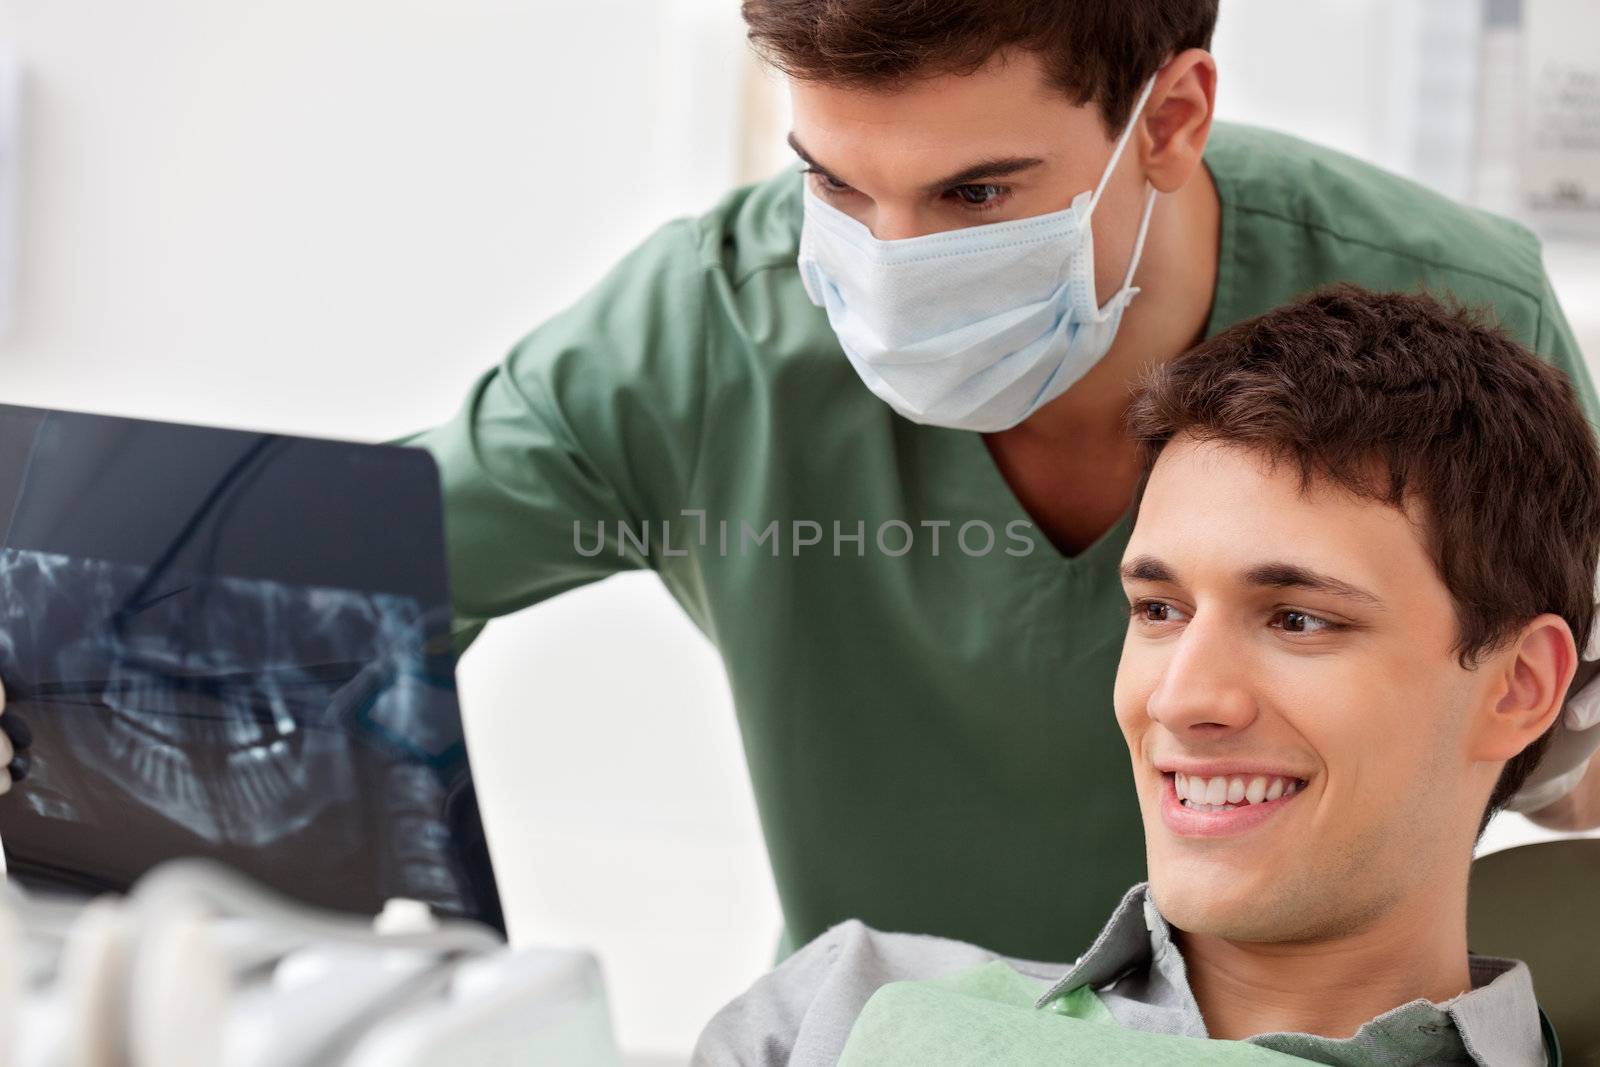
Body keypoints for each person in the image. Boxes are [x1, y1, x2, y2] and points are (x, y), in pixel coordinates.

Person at [2, 1, 1598, 962]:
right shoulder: (708, 334)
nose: (890, 272)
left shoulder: (1442, 320)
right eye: (834, 183)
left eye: (981, 193)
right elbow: (287, 592)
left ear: (1170, 116)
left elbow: (1565, 729)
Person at [692, 285, 1594, 1066]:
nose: (1182, 697)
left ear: (1518, 686)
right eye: (1159, 611)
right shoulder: (833, 1014)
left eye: (1297, 619)